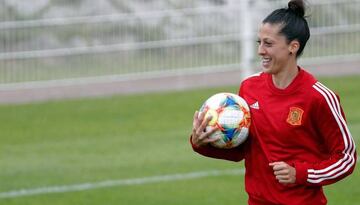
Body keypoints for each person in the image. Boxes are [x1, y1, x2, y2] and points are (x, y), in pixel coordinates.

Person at [190, 0, 357, 204]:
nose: (260, 50)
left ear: (292, 47)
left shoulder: (319, 97)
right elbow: (244, 150)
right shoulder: (249, 87)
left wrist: (300, 174)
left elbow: (346, 158)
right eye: (259, 42)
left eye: (268, 43)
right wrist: (202, 143)